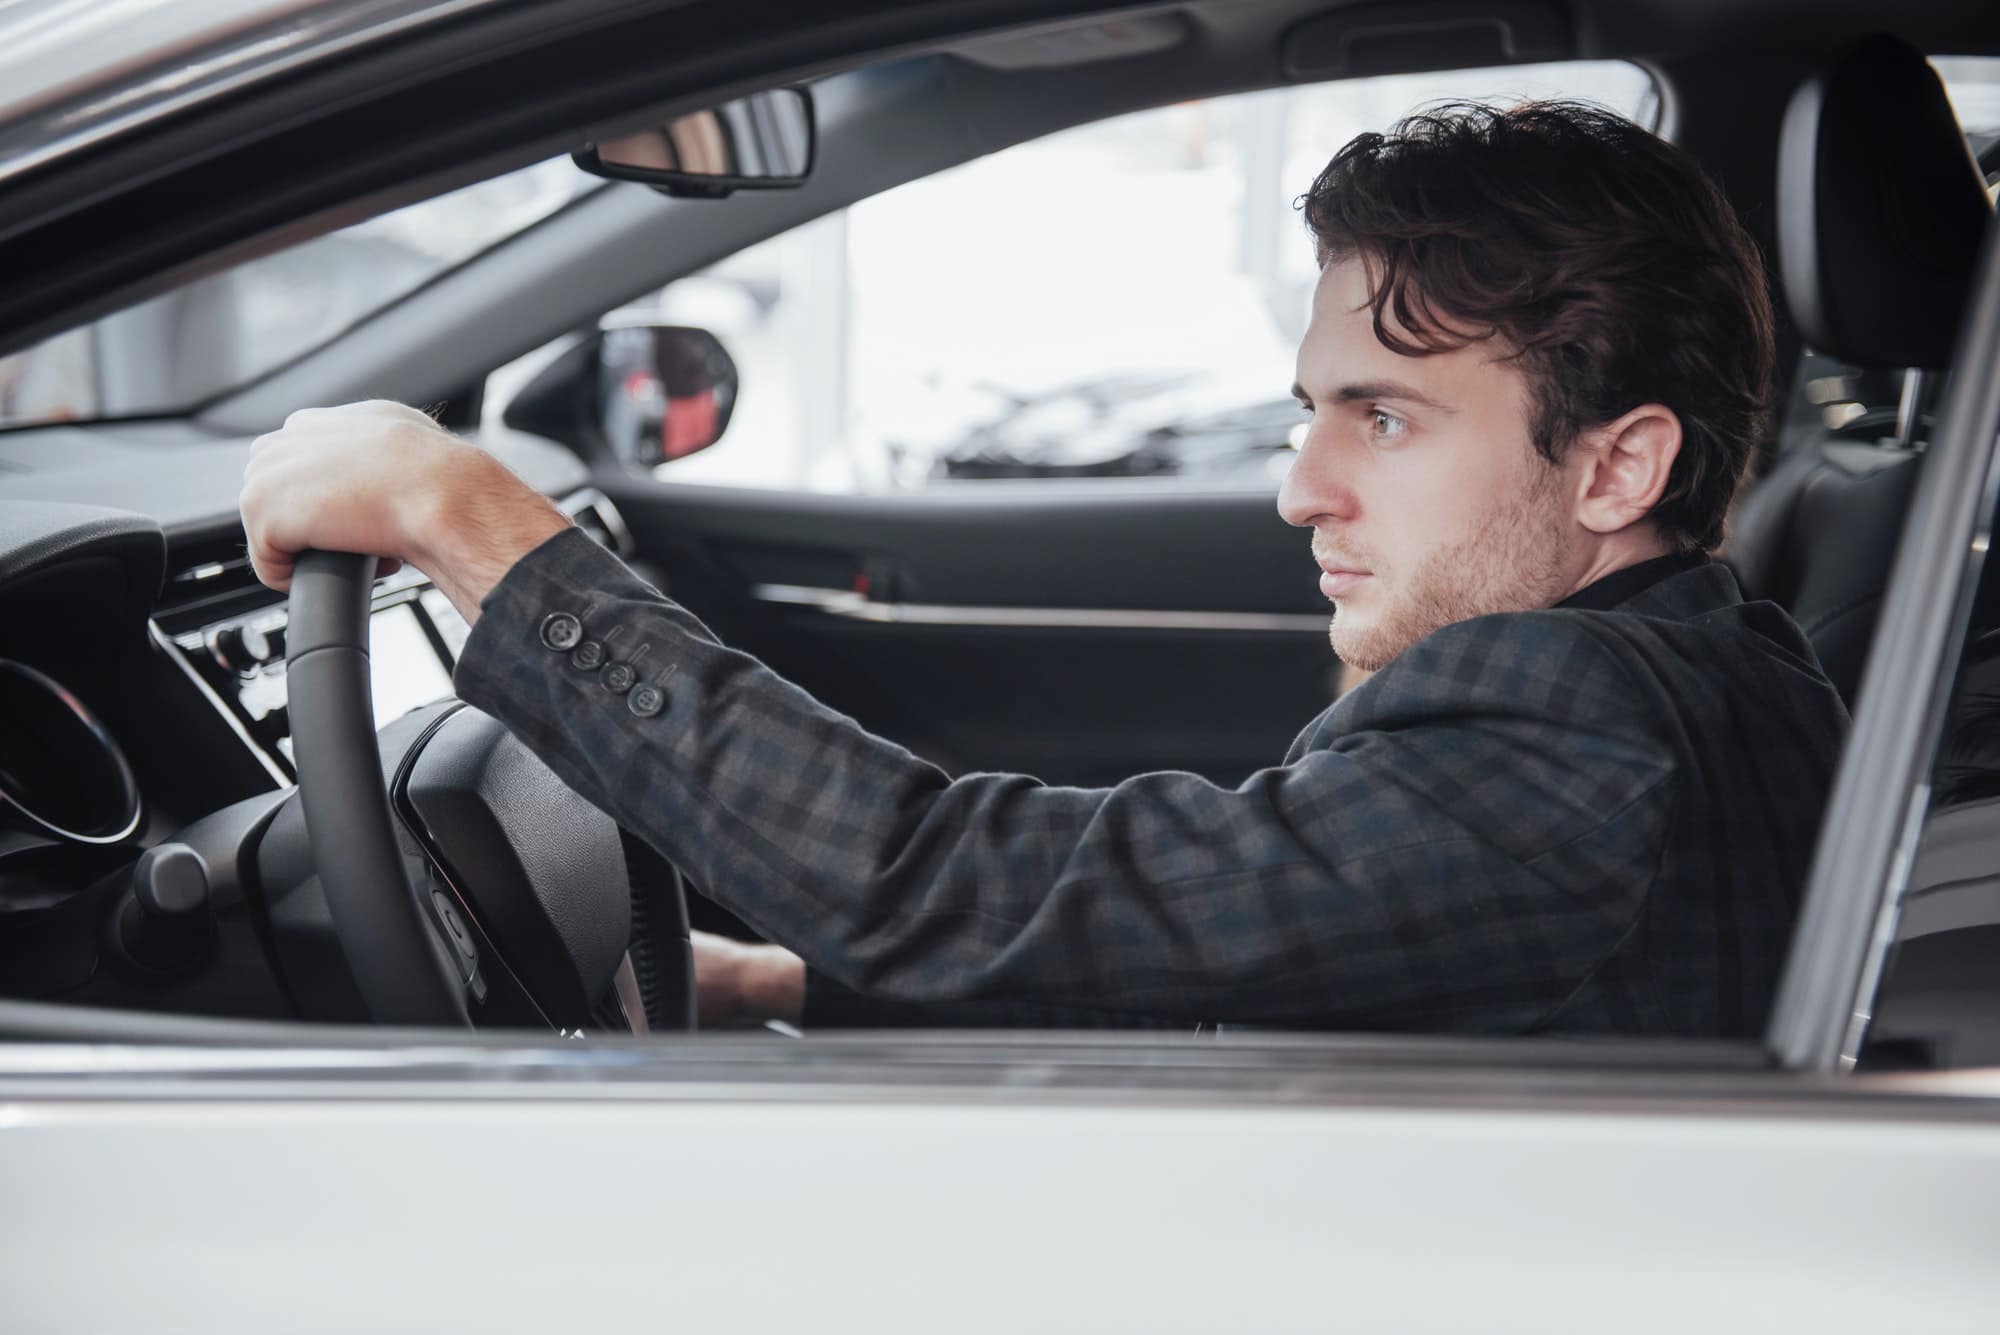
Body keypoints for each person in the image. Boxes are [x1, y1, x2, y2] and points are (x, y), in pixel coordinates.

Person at [239, 102, 1847, 1038]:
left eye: (1386, 418)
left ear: (1619, 464)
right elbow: (1263, 938)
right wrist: (791, 984)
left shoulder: (1578, 730)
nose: (1302, 488)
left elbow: (948, 886)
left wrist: (472, 523)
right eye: (1314, 413)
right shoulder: (1724, 662)